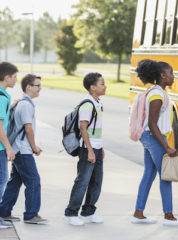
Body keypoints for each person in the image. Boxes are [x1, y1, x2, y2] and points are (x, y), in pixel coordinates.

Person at [132, 59, 178, 226]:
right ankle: (169, 217)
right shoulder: (157, 94)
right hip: (154, 137)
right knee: (166, 176)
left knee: (149, 174)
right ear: (163, 75)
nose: (173, 76)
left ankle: (138, 213)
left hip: (150, 137)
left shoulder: (156, 91)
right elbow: (152, 123)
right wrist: (166, 146)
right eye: (171, 73)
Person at [0, 74, 48, 224]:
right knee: (34, 181)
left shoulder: (21, 102)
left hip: (19, 148)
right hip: (23, 150)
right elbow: (28, 129)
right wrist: (34, 147)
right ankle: (31, 215)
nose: (40, 88)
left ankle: (4, 212)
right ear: (28, 87)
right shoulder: (26, 105)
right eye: (37, 85)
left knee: (15, 181)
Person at [64, 72, 106, 226]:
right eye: (102, 84)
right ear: (92, 87)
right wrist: (89, 150)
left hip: (96, 147)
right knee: (82, 181)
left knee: (96, 181)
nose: (105, 86)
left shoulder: (98, 102)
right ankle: (71, 213)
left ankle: (88, 212)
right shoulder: (87, 104)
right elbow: (83, 128)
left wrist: (100, 147)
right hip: (87, 149)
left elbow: (96, 129)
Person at [0, 62, 18, 229]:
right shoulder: (1, 97)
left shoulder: (4, 96)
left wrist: (10, 107)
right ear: (6, 77)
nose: (16, 80)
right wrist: (9, 147)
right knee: (2, 180)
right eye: (14, 77)